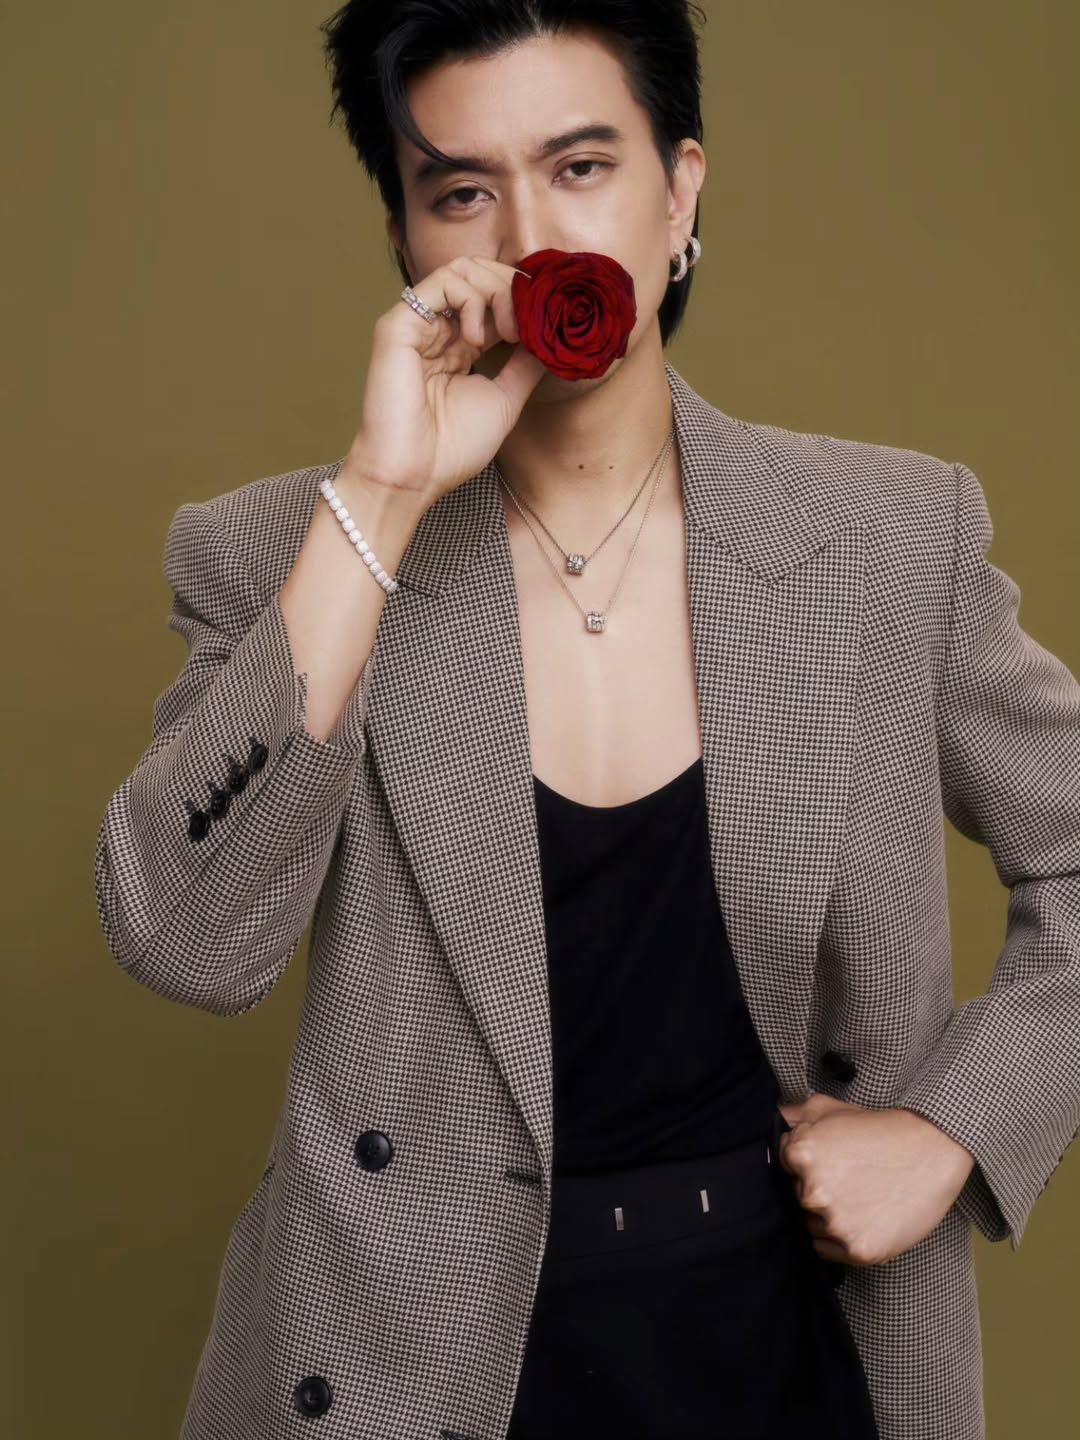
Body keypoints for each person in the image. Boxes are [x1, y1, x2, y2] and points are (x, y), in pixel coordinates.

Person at [94, 4, 1080, 1439]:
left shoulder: (885, 538)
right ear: (404, 241)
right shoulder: (282, 553)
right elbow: (185, 942)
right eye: (462, 192)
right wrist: (380, 498)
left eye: (580, 167)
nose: (531, 238)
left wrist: (954, 1127)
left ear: (678, 193)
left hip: (791, 1347)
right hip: (412, 1360)